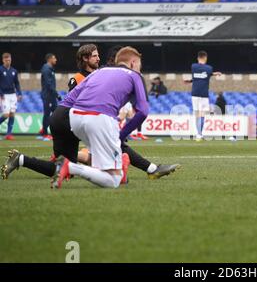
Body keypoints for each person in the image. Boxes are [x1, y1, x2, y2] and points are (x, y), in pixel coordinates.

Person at [2, 45, 179, 182]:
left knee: (64, 168)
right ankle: (150, 169)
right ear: (85, 59)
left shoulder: (99, 74)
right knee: (115, 142)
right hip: (69, 116)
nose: (98, 58)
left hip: (64, 117)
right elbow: (76, 102)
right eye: (95, 56)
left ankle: (21, 159)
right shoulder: (81, 77)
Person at [184, 50, 222, 141]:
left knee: (197, 114)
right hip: (204, 94)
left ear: (198, 58)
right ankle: (200, 134)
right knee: (202, 115)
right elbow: (206, 75)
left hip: (195, 94)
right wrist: (213, 74)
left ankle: (198, 134)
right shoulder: (209, 68)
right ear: (206, 58)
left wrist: (189, 81)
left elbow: (197, 77)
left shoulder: (193, 66)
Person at [0, 53, 21, 140]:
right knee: (6, 115)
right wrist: (1, 94)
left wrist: (19, 93)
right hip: (4, 95)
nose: (8, 61)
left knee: (12, 114)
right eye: (6, 60)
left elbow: (16, 83)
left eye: (9, 60)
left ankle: (9, 134)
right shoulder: (0, 69)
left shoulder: (14, 71)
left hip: (13, 95)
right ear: (3, 60)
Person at [40, 53, 59, 141]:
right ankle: (44, 133)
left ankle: (44, 129)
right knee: (48, 114)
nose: (56, 60)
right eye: (54, 58)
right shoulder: (46, 69)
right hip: (48, 95)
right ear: (49, 59)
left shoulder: (50, 68)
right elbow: (49, 84)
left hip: (50, 95)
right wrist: (57, 94)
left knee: (55, 114)